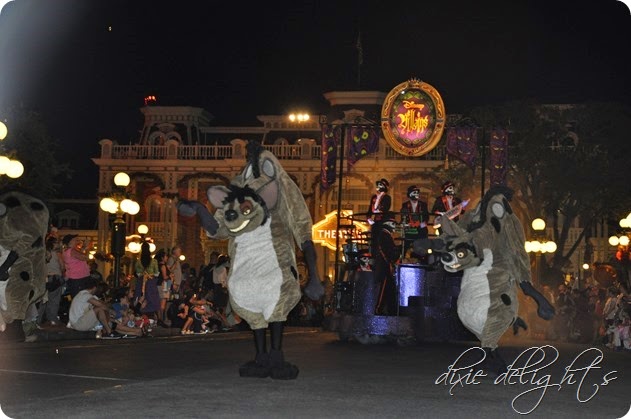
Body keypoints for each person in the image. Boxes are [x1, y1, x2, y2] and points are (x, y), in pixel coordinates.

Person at [373, 214, 401, 316]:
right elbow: (388, 252)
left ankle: (390, 310)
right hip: (384, 267)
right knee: (384, 289)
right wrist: (397, 252)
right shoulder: (385, 235)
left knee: (389, 289)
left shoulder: (386, 235)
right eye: (393, 223)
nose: (394, 226)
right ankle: (379, 309)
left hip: (386, 267)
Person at [38, 236, 65, 326]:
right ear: (54, 244)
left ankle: (39, 319)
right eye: (57, 243)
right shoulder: (57, 254)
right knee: (54, 300)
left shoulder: (44, 253)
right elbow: (62, 267)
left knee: (43, 299)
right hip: (55, 278)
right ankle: (52, 319)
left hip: (45, 278)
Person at [399, 185, 429, 259]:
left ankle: (422, 260)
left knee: (422, 247)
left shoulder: (423, 205)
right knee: (406, 245)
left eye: (417, 192)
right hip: (409, 230)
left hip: (421, 230)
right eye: (414, 192)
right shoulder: (405, 205)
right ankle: (404, 259)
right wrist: (408, 224)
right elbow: (403, 218)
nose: (416, 194)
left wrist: (419, 224)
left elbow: (426, 218)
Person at [134, 243, 161, 323]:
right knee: (152, 299)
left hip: (141, 283)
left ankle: (140, 317)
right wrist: (150, 275)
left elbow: (137, 273)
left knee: (140, 298)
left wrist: (143, 275)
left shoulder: (138, 262)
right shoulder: (154, 261)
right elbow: (157, 273)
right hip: (151, 283)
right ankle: (155, 319)